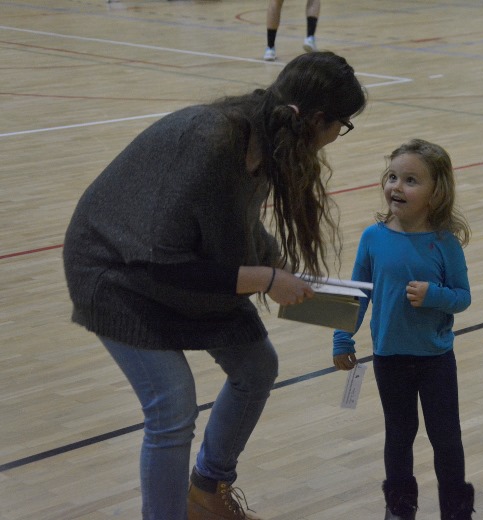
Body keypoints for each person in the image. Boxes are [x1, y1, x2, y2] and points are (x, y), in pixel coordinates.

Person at [63, 51, 367, 520]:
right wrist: (266, 279)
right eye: (342, 126)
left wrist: (278, 266)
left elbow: (237, 224)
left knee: (257, 366)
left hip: (174, 268)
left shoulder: (265, 140)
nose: (335, 138)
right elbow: (166, 265)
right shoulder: (213, 139)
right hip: (116, 271)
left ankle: (206, 490)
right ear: (321, 120)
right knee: (172, 406)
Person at [332, 139, 475, 520]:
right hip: (389, 358)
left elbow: (463, 297)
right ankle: (399, 509)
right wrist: (342, 337)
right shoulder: (373, 238)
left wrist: (435, 296)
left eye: (411, 180)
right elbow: (358, 293)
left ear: (436, 193)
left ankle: (457, 510)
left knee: (446, 439)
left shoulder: (444, 243)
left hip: (436, 359)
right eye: (392, 176)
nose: (397, 186)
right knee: (399, 436)